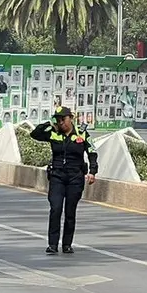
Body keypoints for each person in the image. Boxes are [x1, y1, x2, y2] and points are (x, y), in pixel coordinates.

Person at [29, 106, 97, 255]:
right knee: (56, 208)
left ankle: (67, 244)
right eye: (58, 120)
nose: (61, 123)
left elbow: (92, 152)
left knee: (70, 212)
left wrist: (92, 171)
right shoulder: (53, 133)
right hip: (57, 176)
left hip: (75, 177)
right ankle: (52, 244)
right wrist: (49, 124)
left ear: (70, 118)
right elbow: (34, 134)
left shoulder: (82, 133)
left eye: (63, 119)